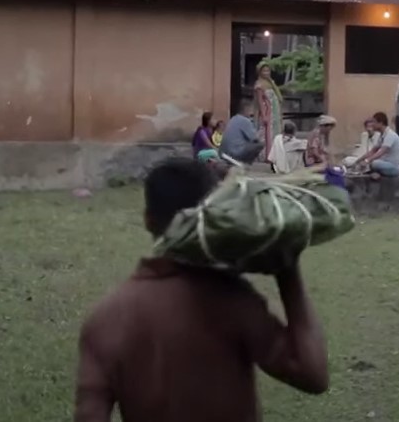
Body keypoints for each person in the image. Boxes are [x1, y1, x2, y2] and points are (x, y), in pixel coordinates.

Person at [73, 158, 329, 422]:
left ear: (148, 221)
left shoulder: (104, 320)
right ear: (214, 216)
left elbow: (89, 414)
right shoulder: (232, 301)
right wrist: (287, 271)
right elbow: (312, 374)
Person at [355, 112, 399, 177]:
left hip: (396, 168)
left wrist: (367, 161)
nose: (372, 125)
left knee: (374, 163)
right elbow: (373, 151)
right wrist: (357, 161)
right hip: (386, 164)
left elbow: (381, 152)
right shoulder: (382, 135)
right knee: (371, 163)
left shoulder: (390, 135)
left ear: (380, 123)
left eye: (374, 122)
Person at [254, 64, 284, 164]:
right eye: (264, 71)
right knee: (266, 135)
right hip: (267, 113)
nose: (266, 73)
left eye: (268, 71)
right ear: (260, 72)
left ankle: (275, 155)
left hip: (275, 113)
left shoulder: (271, 83)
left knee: (275, 134)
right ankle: (266, 156)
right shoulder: (259, 85)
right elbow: (259, 101)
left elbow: (278, 97)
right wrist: (264, 115)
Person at [219, 100, 264, 165]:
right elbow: (255, 138)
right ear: (245, 110)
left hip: (225, 152)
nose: (250, 113)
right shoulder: (245, 120)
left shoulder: (233, 118)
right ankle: (245, 163)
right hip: (235, 152)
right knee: (260, 145)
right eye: (249, 111)